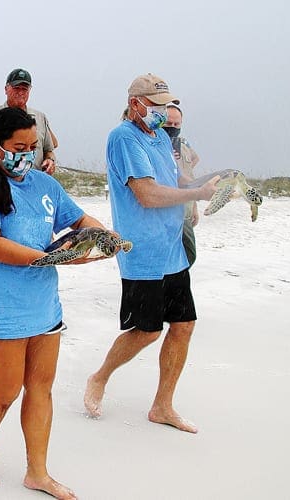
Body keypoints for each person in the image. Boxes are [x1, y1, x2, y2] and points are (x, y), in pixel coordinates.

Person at [0, 107, 121, 499]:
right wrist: (51, 258)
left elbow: (79, 221)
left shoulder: (45, 186)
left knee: (41, 387)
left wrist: (103, 237)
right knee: (6, 389)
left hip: (44, 304)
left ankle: (38, 472)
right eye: (18, 147)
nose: (26, 155)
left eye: (32, 147)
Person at [83, 74, 219, 433]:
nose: (162, 112)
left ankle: (163, 406)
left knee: (184, 325)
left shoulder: (159, 136)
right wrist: (196, 195)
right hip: (142, 251)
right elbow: (147, 194)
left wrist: (210, 187)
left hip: (172, 248)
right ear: (135, 104)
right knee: (146, 331)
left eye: (165, 104)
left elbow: (174, 182)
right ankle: (99, 377)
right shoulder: (123, 138)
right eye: (156, 105)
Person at [0, 68, 59, 174]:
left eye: (24, 89)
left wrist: (50, 161)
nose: (20, 92)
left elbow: (49, 149)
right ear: (6, 89)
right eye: (16, 88)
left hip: (33, 183)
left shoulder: (40, 117)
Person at [164, 103, 201, 266]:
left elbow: (193, 161)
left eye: (176, 124)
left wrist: (194, 207)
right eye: (168, 123)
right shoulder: (154, 143)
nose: (172, 127)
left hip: (185, 207)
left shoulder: (183, 144)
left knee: (189, 253)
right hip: (165, 208)